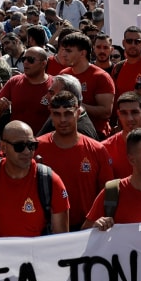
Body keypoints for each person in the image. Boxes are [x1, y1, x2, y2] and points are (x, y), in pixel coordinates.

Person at [0, 120, 70, 237]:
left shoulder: (50, 181)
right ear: (3, 147)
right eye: (20, 146)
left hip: (35, 254)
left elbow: (61, 238)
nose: (27, 151)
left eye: (32, 145)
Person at [36, 90, 113, 227]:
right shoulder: (36, 148)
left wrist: (97, 220)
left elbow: (106, 194)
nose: (63, 120)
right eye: (57, 114)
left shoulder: (97, 150)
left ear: (78, 113)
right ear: (51, 115)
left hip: (86, 229)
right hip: (46, 231)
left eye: (68, 114)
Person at [0, 47, 54, 130]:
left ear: (43, 63)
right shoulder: (14, 81)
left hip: (42, 139)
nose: (25, 62)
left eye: (30, 60)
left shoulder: (55, 85)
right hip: (15, 138)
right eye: (24, 59)